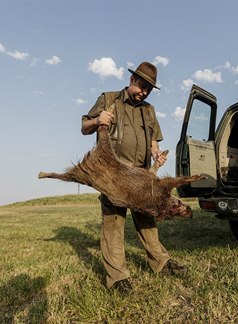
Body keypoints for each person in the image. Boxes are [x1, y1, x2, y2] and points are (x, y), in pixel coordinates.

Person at [81, 61, 187, 294]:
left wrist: (157, 154)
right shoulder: (108, 99)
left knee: (147, 221)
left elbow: (153, 141)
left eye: (149, 89)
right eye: (142, 86)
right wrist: (98, 120)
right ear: (131, 81)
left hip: (141, 177)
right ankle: (117, 278)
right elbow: (84, 127)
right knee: (113, 224)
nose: (144, 92)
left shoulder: (149, 110)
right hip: (114, 177)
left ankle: (161, 263)